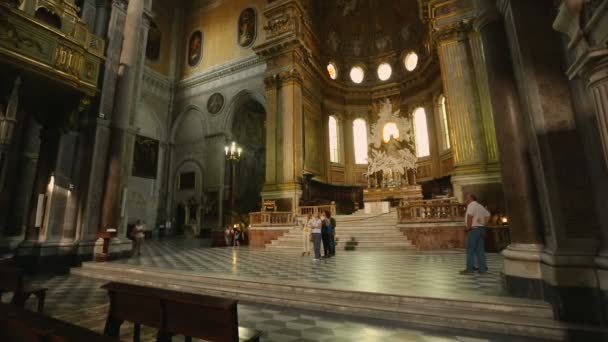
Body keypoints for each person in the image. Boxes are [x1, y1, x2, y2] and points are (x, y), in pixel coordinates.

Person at [460, 194, 490, 274]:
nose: (466, 200)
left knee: (470, 250)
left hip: (474, 230)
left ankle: (469, 269)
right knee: (480, 250)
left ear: (470, 199)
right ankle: (482, 269)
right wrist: (484, 224)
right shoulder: (480, 206)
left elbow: (470, 216)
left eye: (467, 198)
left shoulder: (471, 205)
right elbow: (488, 215)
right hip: (481, 229)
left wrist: (468, 228)